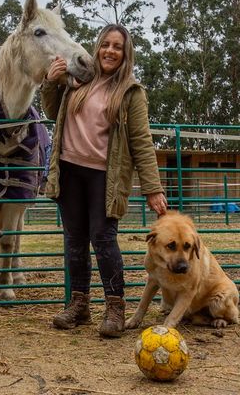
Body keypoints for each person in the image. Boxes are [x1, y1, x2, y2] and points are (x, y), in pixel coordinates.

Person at [40, 24, 168, 338]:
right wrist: (51, 83)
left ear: (126, 55)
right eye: (105, 44)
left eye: (117, 47)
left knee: (103, 239)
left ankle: (115, 308)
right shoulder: (78, 79)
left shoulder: (130, 92)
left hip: (104, 177)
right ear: (97, 48)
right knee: (74, 240)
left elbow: (141, 141)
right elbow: (54, 113)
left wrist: (152, 188)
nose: (110, 51)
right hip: (69, 170)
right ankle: (79, 305)